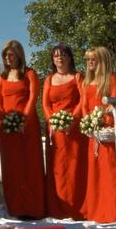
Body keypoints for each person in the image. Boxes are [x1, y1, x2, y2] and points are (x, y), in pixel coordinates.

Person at [0, 40, 46, 219]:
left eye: (11, 54)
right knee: (12, 167)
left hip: (27, 127)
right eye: (6, 55)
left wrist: (23, 119)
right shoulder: (1, 77)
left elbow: (33, 97)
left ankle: (33, 207)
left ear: (19, 55)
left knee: (29, 165)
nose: (8, 58)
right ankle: (15, 207)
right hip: (7, 128)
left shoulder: (30, 73)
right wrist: (5, 118)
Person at [42, 44, 87, 219]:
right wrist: (52, 121)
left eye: (63, 55)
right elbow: (45, 104)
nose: (59, 58)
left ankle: (76, 208)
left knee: (74, 168)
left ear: (70, 57)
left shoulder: (77, 77)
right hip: (55, 130)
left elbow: (83, 100)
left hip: (73, 130)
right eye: (55, 56)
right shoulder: (48, 79)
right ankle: (57, 208)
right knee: (58, 169)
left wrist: (73, 121)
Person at [81, 46, 116, 223]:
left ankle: (111, 212)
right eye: (88, 59)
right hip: (93, 133)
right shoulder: (86, 82)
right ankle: (96, 212)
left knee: (109, 173)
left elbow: (114, 102)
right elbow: (83, 105)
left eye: (93, 59)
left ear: (101, 61)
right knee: (94, 174)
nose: (90, 62)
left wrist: (103, 120)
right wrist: (88, 122)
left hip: (106, 133)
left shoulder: (111, 79)